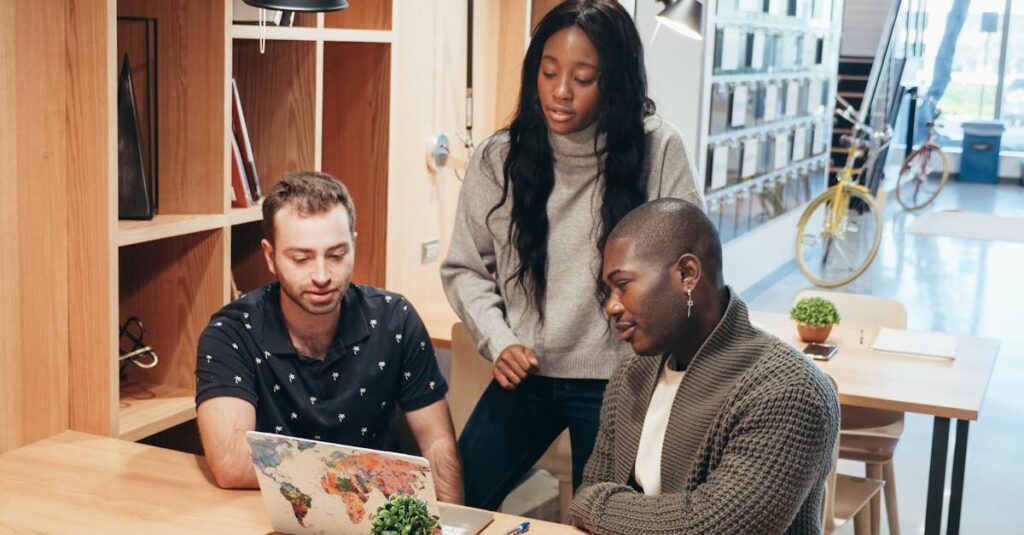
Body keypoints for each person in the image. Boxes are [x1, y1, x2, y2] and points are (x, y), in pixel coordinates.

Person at [441, 0, 703, 510]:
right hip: (526, 373)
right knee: (452, 504)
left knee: (603, 519)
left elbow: (688, 268)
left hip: (620, 382)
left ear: (616, 82)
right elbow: (464, 267)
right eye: (549, 72)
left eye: (583, 78)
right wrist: (498, 340)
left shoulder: (659, 150)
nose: (560, 92)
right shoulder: (500, 158)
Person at [569, 198, 839, 534]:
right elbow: (590, 488)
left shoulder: (790, 391)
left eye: (622, 285)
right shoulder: (632, 373)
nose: (611, 306)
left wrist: (598, 507)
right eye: (608, 291)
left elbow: (712, 527)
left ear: (687, 274)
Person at [195, 172, 463, 503]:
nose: (321, 276)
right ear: (270, 256)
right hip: (274, 515)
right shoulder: (232, 333)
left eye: (336, 255)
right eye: (301, 258)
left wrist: (451, 525)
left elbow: (437, 443)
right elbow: (232, 464)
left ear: (354, 243)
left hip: (379, 515)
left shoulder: (395, 319)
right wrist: (366, 474)